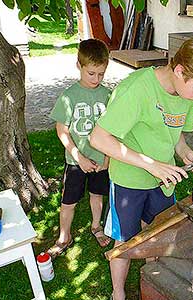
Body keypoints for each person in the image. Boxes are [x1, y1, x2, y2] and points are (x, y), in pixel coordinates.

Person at [89, 33, 193, 300]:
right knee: (126, 241)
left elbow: (175, 133)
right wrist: (151, 165)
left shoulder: (186, 95)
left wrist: (186, 151)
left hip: (162, 182)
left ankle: (151, 284)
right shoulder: (136, 89)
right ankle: (118, 292)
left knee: (159, 235)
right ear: (179, 71)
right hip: (129, 182)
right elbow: (98, 138)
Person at [47, 39, 111, 259]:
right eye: (91, 73)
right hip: (76, 162)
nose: (96, 79)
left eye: (101, 74)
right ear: (79, 66)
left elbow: (113, 131)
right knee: (68, 202)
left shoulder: (107, 95)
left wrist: (108, 159)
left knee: (97, 196)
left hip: (101, 160)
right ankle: (64, 236)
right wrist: (79, 157)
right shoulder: (69, 96)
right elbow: (62, 131)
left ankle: (96, 226)